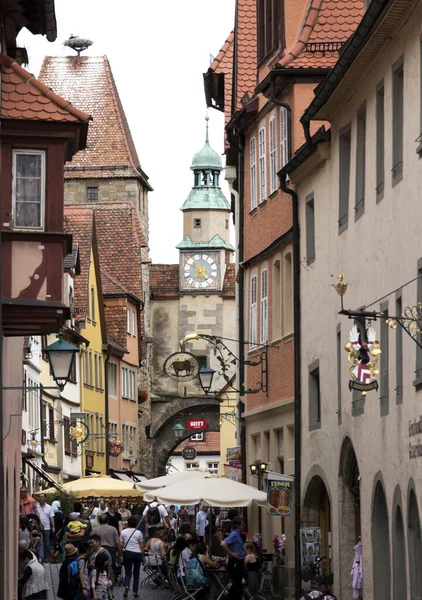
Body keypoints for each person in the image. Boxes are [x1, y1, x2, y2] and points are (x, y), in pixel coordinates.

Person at [221, 517, 246, 600]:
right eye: (242, 524)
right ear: (238, 525)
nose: (244, 526)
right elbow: (223, 544)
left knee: (238, 584)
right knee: (236, 584)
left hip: (239, 561)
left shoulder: (238, 534)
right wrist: (231, 553)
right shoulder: (234, 534)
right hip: (235, 562)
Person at [91, 515, 123, 581]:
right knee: (111, 566)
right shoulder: (113, 529)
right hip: (111, 550)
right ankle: (111, 580)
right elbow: (117, 542)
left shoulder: (95, 530)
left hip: (99, 550)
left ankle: (99, 578)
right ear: (108, 520)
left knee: (98, 565)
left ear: (99, 521)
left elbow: (91, 541)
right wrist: (120, 554)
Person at [120, 515, 144, 598]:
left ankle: (127, 585)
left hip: (128, 553)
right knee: (136, 573)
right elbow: (141, 546)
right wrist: (143, 556)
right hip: (137, 553)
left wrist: (121, 555)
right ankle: (135, 591)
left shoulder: (123, 532)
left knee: (128, 572)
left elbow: (121, 544)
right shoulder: (139, 533)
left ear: (128, 523)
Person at [37, 493, 55, 563]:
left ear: (45, 498)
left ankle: (45, 557)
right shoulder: (37, 507)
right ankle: (40, 557)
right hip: (39, 527)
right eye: (39, 497)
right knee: (40, 542)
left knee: (46, 543)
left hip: (47, 527)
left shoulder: (49, 507)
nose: (40, 498)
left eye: (42, 497)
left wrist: (53, 526)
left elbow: (51, 517)